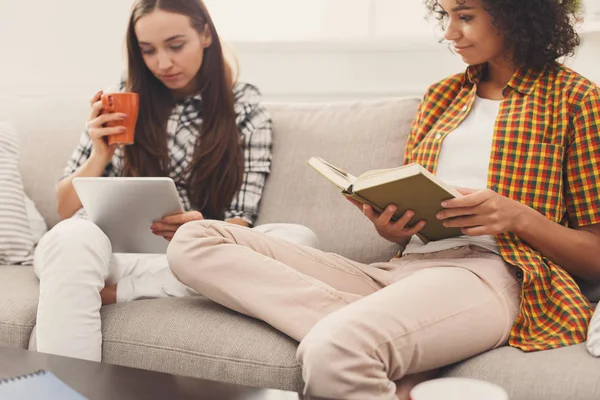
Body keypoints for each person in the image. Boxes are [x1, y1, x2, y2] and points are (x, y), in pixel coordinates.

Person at [166, 0, 600, 398]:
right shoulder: (441, 97)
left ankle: (364, 333)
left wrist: (517, 217)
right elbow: (414, 194)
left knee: (334, 351)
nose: (450, 33)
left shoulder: (576, 100)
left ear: (516, 15)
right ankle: (388, 333)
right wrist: (389, 224)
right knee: (194, 240)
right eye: (446, 16)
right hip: (402, 268)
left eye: (465, 16)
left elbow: (594, 255)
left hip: (491, 274)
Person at [33, 0, 318, 363]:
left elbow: (241, 221)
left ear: (205, 34)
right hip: (96, 257)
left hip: (185, 260)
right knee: (71, 236)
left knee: (298, 241)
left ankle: (121, 292)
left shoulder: (244, 107)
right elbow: (64, 209)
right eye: (148, 51)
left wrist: (200, 231)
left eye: (175, 45)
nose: (162, 63)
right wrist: (99, 154)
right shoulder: (121, 97)